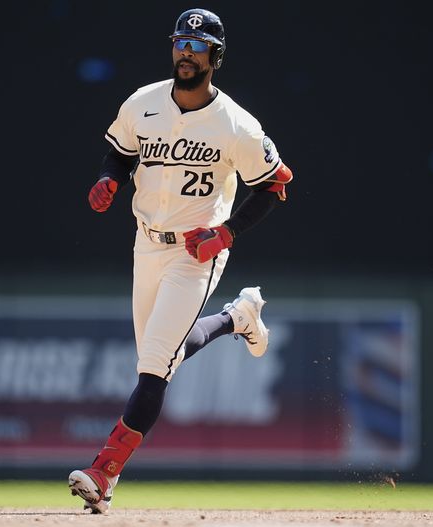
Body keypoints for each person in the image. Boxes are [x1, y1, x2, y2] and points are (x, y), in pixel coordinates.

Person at [68, 7, 294, 513]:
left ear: (216, 56)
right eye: (180, 43)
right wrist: (108, 179)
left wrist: (227, 232)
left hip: (197, 251)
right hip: (146, 242)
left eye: (197, 46)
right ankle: (237, 318)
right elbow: (120, 153)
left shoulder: (236, 123)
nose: (186, 53)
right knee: (159, 355)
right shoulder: (142, 102)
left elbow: (274, 184)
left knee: (153, 367)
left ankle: (104, 472)